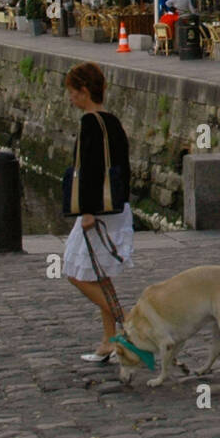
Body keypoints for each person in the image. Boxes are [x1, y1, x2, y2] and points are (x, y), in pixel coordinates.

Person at [62, 62, 134, 363]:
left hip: (97, 210)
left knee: (74, 272)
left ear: (83, 91)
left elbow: (90, 169)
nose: (70, 98)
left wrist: (88, 211)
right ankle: (108, 341)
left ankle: (129, 323)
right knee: (101, 274)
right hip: (116, 205)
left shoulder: (90, 123)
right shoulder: (112, 121)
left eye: (72, 92)